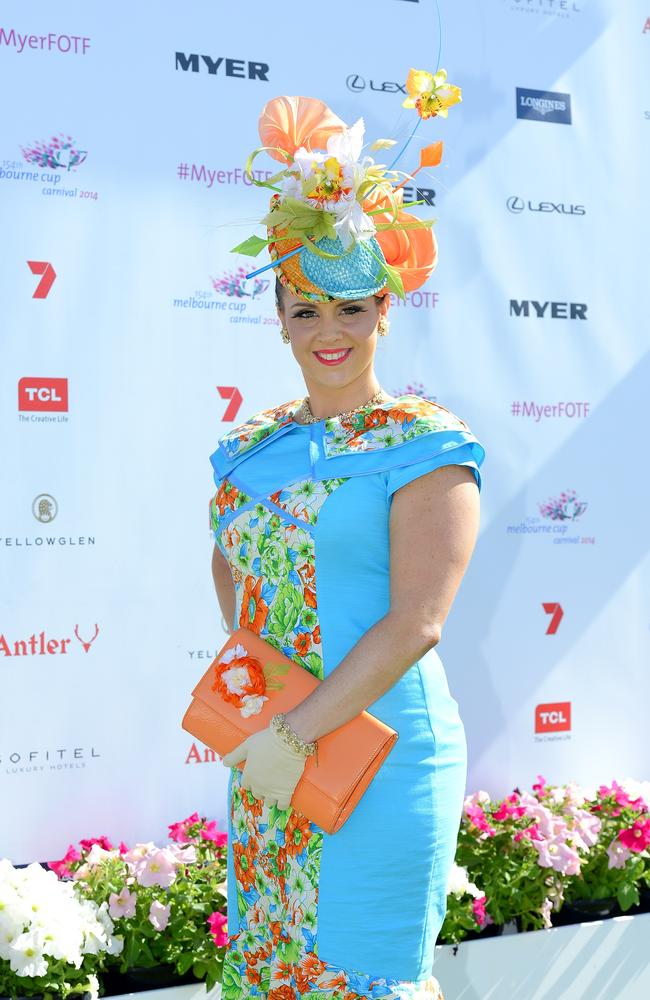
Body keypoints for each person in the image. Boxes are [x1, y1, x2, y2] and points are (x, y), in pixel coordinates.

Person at [208, 83, 484, 1000]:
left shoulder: (426, 440)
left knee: (357, 975)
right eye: (306, 310)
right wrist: (261, 695)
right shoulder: (254, 447)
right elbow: (230, 564)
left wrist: (294, 728)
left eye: (352, 308)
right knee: (274, 972)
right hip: (272, 762)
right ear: (278, 318)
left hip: (378, 761)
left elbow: (418, 622)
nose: (330, 332)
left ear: (385, 311)